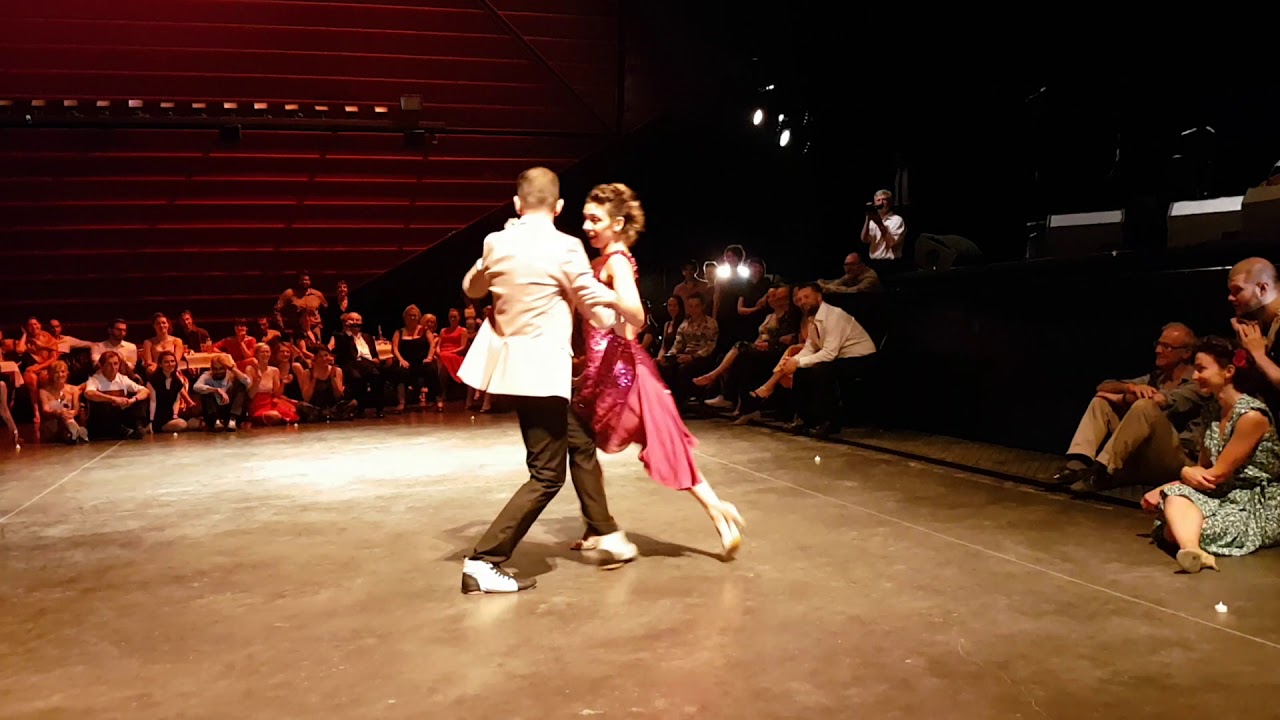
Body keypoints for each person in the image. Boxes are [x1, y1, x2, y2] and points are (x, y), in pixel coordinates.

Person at [457, 167, 639, 595]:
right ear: (558, 208)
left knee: (577, 442)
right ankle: (484, 561)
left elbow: (472, 288)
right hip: (541, 371)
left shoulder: (496, 241)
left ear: (517, 204)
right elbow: (593, 307)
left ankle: (606, 529)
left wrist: (495, 256)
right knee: (546, 475)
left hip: (511, 368)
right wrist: (618, 314)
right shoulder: (566, 247)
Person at [573, 183, 745, 558]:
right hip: (617, 371)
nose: (586, 225)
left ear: (617, 223)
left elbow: (634, 315)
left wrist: (608, 297)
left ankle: (597, 527)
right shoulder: (608, 259)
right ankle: (719, 512)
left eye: (594, 219)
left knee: (581, 445)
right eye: (585, 217)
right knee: (659, 443)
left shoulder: (615, 261)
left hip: (619, 376)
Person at [1143, 337, 1280, 573]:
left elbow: (1215, 474)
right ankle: (1193, 551)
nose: (1195, 377)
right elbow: (1202, 470)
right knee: (1176, 502)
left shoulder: (1251, 416)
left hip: (1257, 503)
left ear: (1228, 372)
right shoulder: (1212, 411)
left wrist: (1177, 477)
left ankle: (1189, 541)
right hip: (1223, 495)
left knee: (1171, 528)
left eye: (1201, 369)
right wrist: (1174, 485)